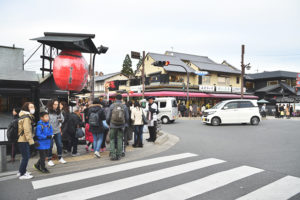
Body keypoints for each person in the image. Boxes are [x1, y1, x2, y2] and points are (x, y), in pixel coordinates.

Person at [106, 94, 129, 161]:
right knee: (120, 139)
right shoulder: (124, 106)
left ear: (115, 99)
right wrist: (125, 123)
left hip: (113, 125)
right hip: (121, 125)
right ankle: (119, 154)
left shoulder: (112, 106)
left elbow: (107, 117)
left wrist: (109, 123)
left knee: (112, 139)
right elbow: (127, 117)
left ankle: (113, 154)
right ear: (121, 99)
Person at [17, 102, 35, 179]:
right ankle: (22, 174)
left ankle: (21, 171)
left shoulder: (24, 116)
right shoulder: (26, 117)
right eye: (31, 107)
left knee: (25, 156)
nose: (33, 108)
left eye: (33, 107)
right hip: (23, 140)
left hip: (23, 139)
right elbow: (27, 130)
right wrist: (31, 142)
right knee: (26, 157)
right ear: (26, 108)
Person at [47, 99, 67, 166]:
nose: (56, 106)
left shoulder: (58, 111)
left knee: (59, 144)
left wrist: (61, 119)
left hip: (57, 130)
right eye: (54, 104)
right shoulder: (47, 111)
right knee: (50, 146)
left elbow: (62, 120)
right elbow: (45, 121)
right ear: (51, 104)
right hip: (50, 131)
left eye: (57, 104)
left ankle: (60, 157)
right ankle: (49, 159)